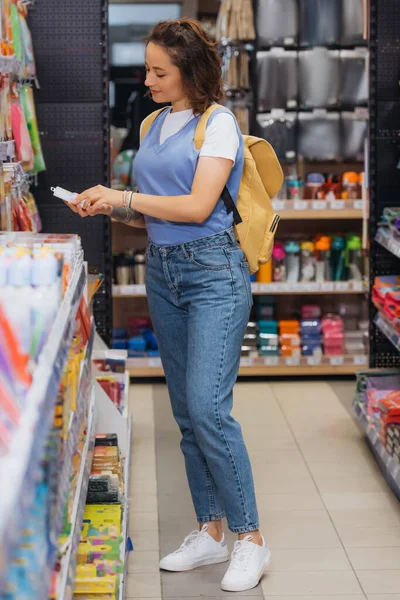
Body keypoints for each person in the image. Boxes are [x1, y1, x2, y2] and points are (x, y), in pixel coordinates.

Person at [66, 18, 270, 593]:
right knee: (185, 411)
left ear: (191, 73)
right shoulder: (155, 121)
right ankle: (208, 531)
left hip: (213, 273)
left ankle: (250, 537)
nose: (148, 80)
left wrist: (125, 194)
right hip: (164, 271)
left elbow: (200, 204)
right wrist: (109, 206)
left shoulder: (219, 124)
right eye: (148, 69)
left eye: (160, 71)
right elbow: (155, 210)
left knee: (208, 408)